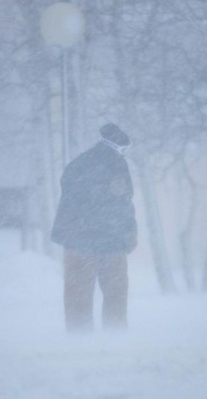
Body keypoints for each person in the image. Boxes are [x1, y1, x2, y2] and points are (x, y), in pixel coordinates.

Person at [51, 123, 137, 332]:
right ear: (120, 147)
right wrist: (129, 234)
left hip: (78, 242)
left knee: (77, 296)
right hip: (111, 242)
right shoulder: (117, 165)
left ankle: (79, 341)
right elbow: (124, 202)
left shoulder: (78, 164)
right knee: (115, 295)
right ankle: (115, 339)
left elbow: (69, 201)